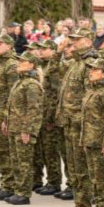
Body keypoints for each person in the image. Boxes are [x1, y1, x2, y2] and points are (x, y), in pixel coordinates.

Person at [57, 29, 98, 207]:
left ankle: (85, 206)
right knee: (73, 165)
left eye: (77, 40)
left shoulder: (90, 64)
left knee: (82, 166)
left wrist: (84, 122)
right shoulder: (75, 62)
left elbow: (90, 96)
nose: (72, 43)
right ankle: (79, 203)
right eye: (71, 40)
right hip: (69, 121)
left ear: (89, 41)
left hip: (80, 123)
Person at [2, 51, 44, 205]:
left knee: (24, 161)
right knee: (16, 160)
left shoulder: (32, 85)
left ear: (31, 65)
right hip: (15, 126)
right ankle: (17, 189)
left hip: (23, 129)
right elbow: (12, 105)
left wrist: (27, 130)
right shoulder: (20, 82)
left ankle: (24, 193)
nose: (18, 63)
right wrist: (6, 120)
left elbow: (34, 110)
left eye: (22, 61)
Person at [79, 58, 104, 207]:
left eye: (95, 69)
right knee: (94, 178)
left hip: (100, 142)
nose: (90, 72)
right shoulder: (91, 91)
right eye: (90, 69)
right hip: (90, 140)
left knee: (103, 179)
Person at [0, 35, 20, 201]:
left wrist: (6, 118)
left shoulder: (12, 65)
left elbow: (13, 94)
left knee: (6, 152)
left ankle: (9, 185)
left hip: (4, 116)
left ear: (9, 45)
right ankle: (5, 183)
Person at [33, 39, 64, 197]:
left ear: (53, 51)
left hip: (50, 116)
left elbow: (55, 96)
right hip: (42, 113)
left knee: (51, 150)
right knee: (44, 150)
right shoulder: (42, 66)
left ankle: (54, 181)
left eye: (45, 48)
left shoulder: (54, 69)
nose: (41, 51)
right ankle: (48, 180)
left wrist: (50, 118)